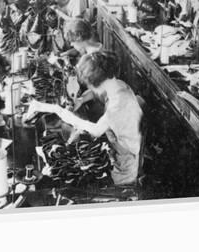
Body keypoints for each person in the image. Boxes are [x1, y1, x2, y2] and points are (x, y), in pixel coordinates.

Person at [25, 51, 143, 185]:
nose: (89, 87)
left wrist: (56, 109)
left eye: (89, 84)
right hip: (117, 147)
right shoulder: (117, 84)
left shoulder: (118, 105)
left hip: (124, 166)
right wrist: (81, 100)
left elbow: (95, 130)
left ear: (97, 82)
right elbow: (96, 92)